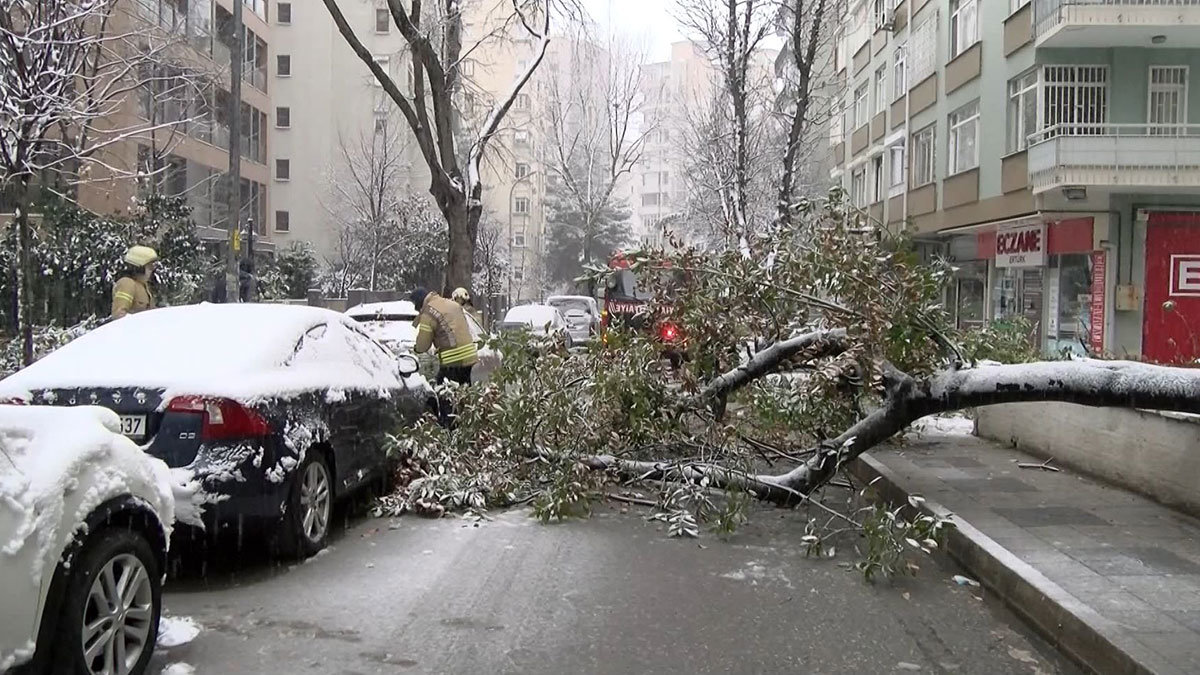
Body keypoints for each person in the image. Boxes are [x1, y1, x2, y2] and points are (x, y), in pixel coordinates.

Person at [411, 287, 478, 385]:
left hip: (453, 360)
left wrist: (416, 349)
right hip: (470, 356)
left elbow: (423, 346)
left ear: (419, 303)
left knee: (444, 393)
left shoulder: (428, 314)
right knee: (463, 392)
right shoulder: (452, 304)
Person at [111, 246, 158, 319]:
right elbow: (119, 315)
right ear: (139, 268)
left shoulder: (143, 286)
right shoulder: (127, 283)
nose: (152, 269)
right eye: (149, 266)